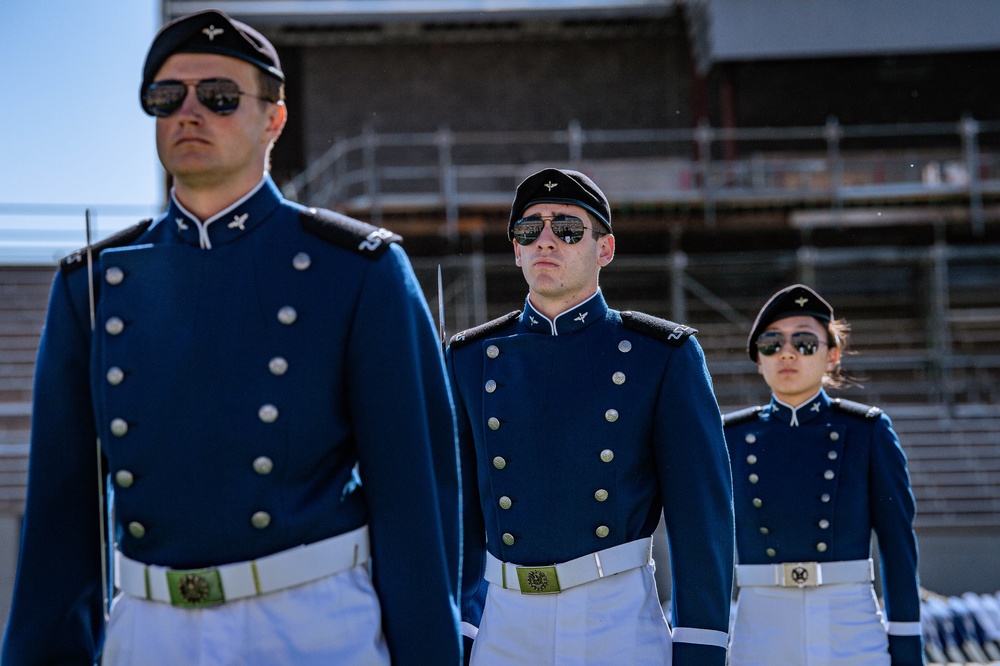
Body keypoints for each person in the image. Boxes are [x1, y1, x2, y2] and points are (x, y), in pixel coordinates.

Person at [2, 10, 461, 665]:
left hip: (313, 625)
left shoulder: (356, 269)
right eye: (166, 98)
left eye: (219, 97)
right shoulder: (94, 284)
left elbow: (416, 504)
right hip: (149, 632)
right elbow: (58, 524)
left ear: (273, 120)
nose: (189, 113)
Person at [446, 168, 735, 665]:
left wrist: (701, 646)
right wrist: (464, 628)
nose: (546, 240)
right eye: (528, 229)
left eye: (569, 228)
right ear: (515, 250)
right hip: (505, 623)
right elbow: (459, 517)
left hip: (615, 619)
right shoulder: (470, 357)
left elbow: (701, 521)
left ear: (605, 249)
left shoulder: (661, 355)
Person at [722, 284, 924, 665]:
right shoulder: (730, 437)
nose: (787, 352)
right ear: (759, 359)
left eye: (804, 342)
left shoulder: (868, 431)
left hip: (849, 619)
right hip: (761, 621)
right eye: (771, 343)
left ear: (832, 356)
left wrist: (908, 645)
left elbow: (898, 547)